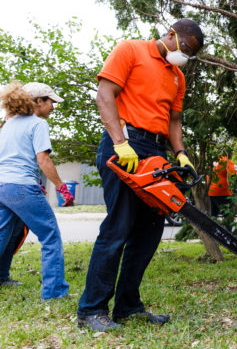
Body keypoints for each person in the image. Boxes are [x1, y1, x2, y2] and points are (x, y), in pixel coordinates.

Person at [77, 19, 204, 332]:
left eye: (191, 54)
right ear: (172, 35)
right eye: (185, 48)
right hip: (125, 142)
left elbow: (174, 121)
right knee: (118, 226)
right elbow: (104, 95)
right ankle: (92, 310)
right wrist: (120, 142)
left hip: (156, 152)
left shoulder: (178, 77)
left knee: (149, 232)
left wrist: (181, 154)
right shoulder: (131, 49)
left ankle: (128, 306)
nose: (185, 56)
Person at [0, 82, 74, 298]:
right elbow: (43, 160)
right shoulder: (37, 124)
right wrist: (62, 188)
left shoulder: (8, 124)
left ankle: (1, 277)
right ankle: (55, 292)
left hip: (3, 186)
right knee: (50, 235)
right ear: (38, 101)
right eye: (51, 102)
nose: (53, 106)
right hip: (22, 186)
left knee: (6, 234)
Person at [208, 154, 237, 224]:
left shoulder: (211, 160)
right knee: (228, 217)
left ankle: (212, 233)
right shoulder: (226, 160)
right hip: (223, 193)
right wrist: (236, 184)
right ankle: (227, 233)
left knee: (213, 216)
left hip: (211, 192)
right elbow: (233, 175)